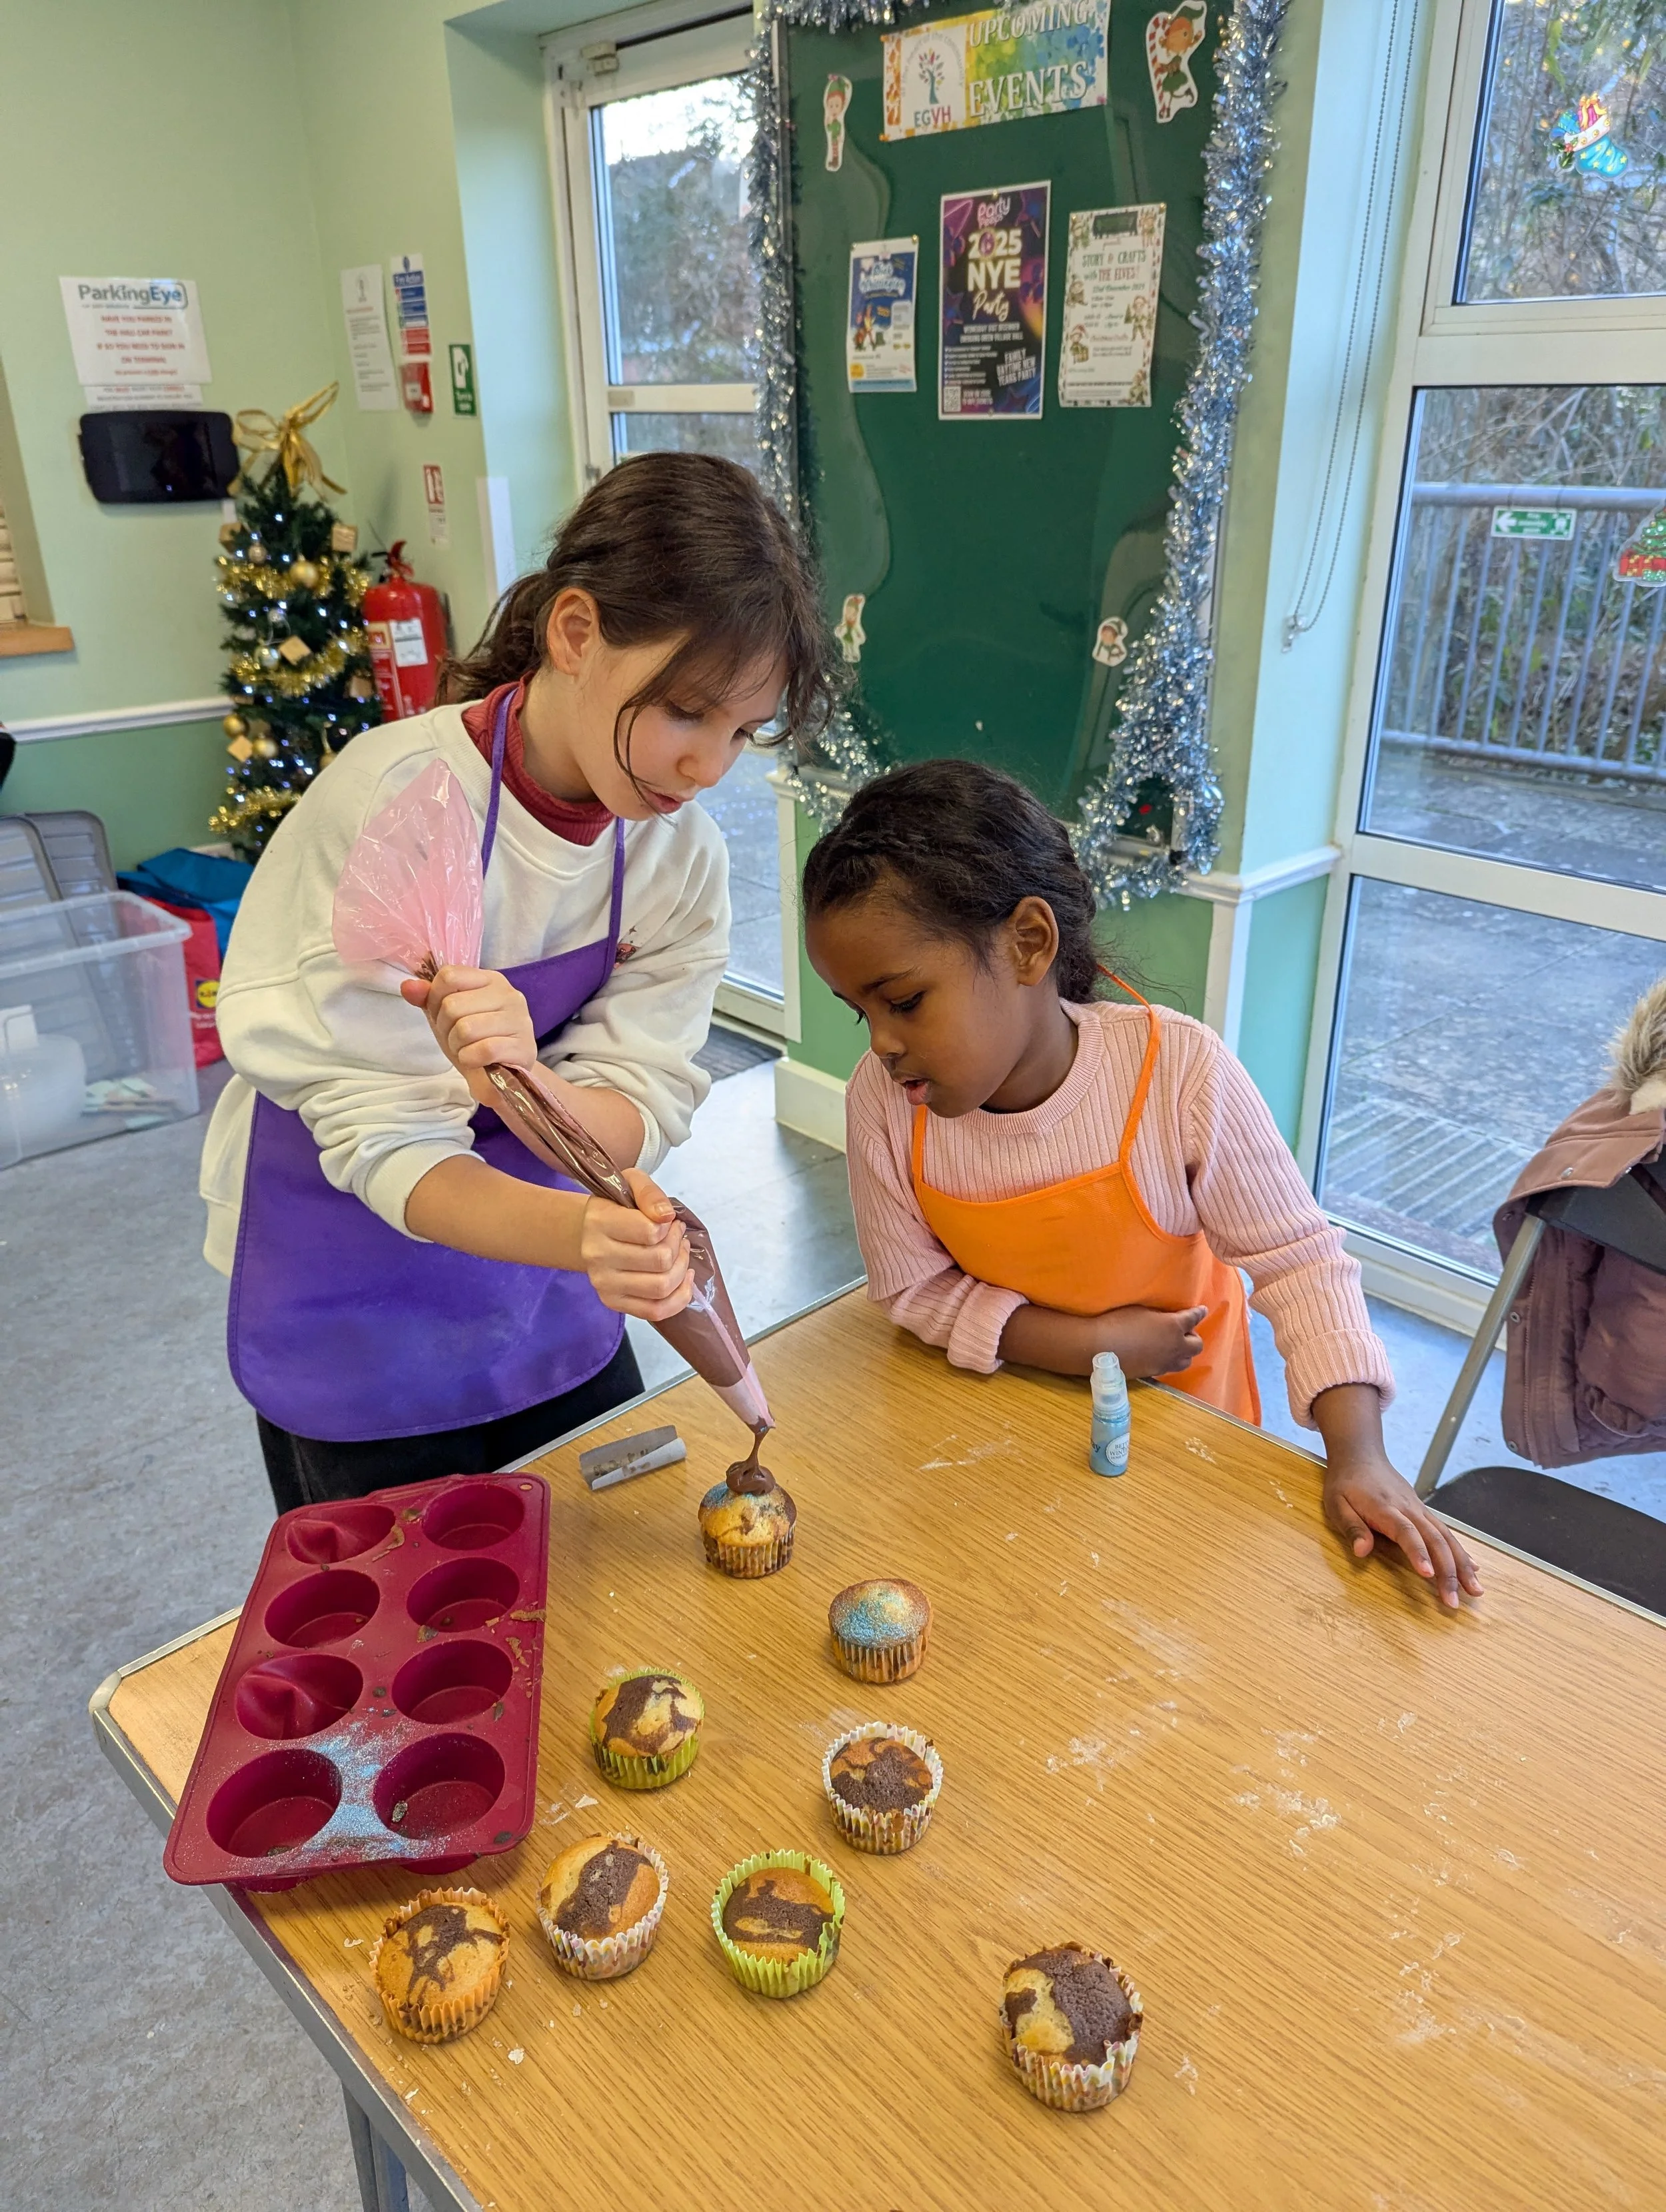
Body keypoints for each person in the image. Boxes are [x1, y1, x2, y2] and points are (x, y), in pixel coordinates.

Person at [201, 452, 832, 1512]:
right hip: (355, 1287)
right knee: (402, 1613)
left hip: (549, 1288)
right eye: (685, 711)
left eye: (743, 731)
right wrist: (584, 1231)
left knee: (591, 1569)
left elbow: (641, 1099)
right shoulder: (398, 809)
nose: (707, 769)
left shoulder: (676, 858)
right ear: (576, 633)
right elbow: (385, 1135)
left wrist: (523, 1086)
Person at [801, 760, 1482, 1610]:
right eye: (857, 1011)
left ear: (1028, 943)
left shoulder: (1176, 1072)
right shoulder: (885, 1104)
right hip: (991, 1422)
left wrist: (1358, 1453)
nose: (881, 1045)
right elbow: (909, 1288)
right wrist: (1082, 1345)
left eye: (904, 1000)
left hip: (1183, 1425)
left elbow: (1300, 1262)